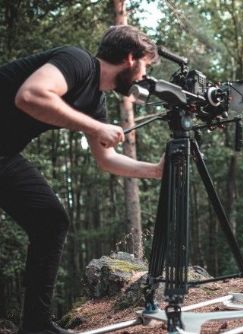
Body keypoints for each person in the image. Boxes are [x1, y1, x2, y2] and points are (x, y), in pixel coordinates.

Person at [0, 25, 164, 334]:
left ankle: (35, 325)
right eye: (146, 67)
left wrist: (155, 170)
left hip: (4, 155)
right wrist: (95, 127)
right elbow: (30, 96)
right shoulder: (76, 60)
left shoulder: (96, 102)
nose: (144, 77)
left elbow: (107, 160)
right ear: (131, 58)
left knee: (50, 219)